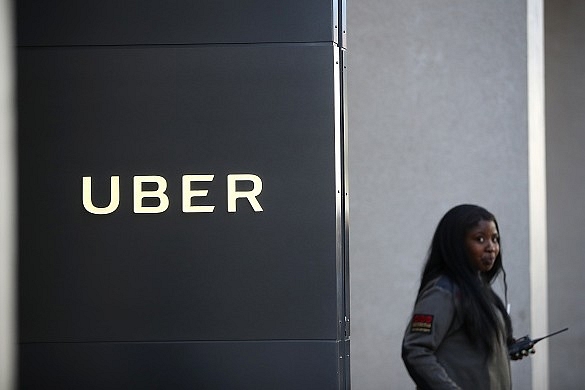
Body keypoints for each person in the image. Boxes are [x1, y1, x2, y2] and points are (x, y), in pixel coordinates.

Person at [402, 204, 523, 390]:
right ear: (456, 244)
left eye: (495, 239)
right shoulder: (444, 292)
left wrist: (506, 348)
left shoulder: (479, 290)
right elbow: (416, 350)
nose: (491, 248)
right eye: (480, 239)